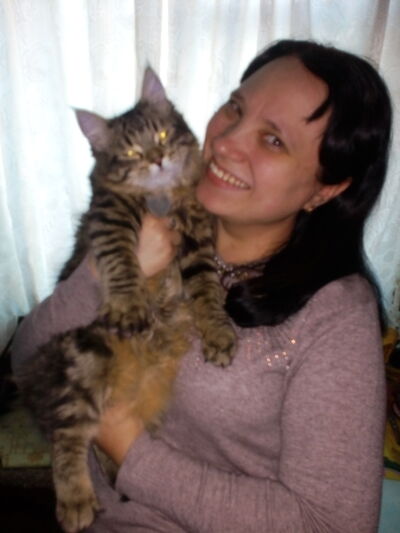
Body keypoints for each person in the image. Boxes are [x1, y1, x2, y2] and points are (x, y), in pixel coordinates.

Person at [11, 39, 392, 532]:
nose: (227, 142)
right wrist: (98, 277)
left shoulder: (335, 315)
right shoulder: (150, 217)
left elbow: (333, 524)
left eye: (273, 140)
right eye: (235, 107)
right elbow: (28, 358)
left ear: (327, 187)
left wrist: (127, 447)